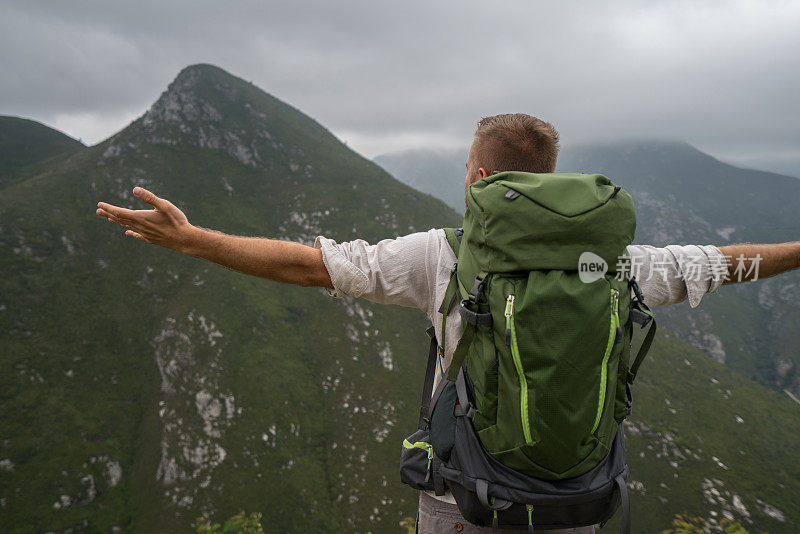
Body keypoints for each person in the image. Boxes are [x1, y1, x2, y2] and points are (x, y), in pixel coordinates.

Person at [95, 113, 800, 533]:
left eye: (467, 164)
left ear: (480, 178)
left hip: (464, 499)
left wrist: (193, 239)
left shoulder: (443, 257)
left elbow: (312, 265)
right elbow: (722, 261)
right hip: (577, 497)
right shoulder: (614, 264)